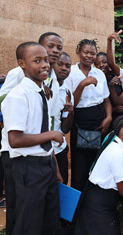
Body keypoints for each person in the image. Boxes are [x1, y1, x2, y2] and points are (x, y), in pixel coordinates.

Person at [1, 42, 64, 235]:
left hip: (45, 164)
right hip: (28, 168)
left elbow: (40, 128)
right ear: (22, 64)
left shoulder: (41, 92)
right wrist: (51, 135)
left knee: (49, 221)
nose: (44, 65)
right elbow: (15, 140)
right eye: (37, 61)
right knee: (28, 226)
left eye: (45, 60)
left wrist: (52, 163)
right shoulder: (18, 96)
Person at [65, 38, 112, 191]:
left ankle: (92, 201)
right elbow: (72, 104)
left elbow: (106, 100)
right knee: (80, 164)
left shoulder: (99, 73)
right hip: (79, 119)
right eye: (86, 52)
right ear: (79, 52)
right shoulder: (70, 72)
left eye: (93, 53)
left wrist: (108, 117)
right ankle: (77, 205)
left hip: (99, 119)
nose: (89, 56)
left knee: (97, 162)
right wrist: (82, 84)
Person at [51, 52, 74, 185]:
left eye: (68, 66)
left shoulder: (67, 91)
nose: (64, 68)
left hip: (59, 147)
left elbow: (64, 129)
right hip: (43, 148)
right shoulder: (44, 87)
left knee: (62, 183)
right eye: (60, 64)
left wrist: (71, 113)